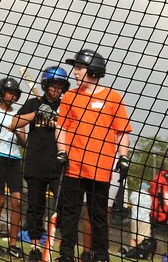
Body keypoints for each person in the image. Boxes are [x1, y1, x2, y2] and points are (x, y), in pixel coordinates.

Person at [56, 49, 132, 262]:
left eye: (79, 68)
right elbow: (61, 127)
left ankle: (101, 256)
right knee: (69, 215)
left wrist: (123, 156)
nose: (75, 72)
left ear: (93, 70)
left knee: (98, 216)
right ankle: (66, 255)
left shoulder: (113, 97)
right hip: (74, 165)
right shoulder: (70, 96)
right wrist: (62, 151)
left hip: (101, 167)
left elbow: (122, 132)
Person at [8, 66, 70, 262]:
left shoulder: (66, 106)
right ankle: (35, 247)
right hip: (36, 164)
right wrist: (36, 114)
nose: (57, 88)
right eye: (53, 84)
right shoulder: (34, 103)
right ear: (46, 85)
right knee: (35, 207)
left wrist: (58, 116)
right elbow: (14, 123)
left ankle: (62, 250)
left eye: (60, 85)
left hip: (59, 165)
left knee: (65, 207)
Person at [0, 77, 26, 259]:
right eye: (10, 92)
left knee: (17, 201)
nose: (13, 96)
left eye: (16, 93)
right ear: (2, 93)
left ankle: (13, 244)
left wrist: (16, 128)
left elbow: (24, 142)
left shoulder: (18, 116)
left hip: (15, 159)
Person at [120, 181, 155, 259]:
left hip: (134, 218)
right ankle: (140, 254)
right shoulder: (148, 196)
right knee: (142, 238)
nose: (147, 190)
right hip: (144, 220)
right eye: (147, 188)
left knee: (134, 237)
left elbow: (131, 201)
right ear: (145, 188)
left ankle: (132, 253)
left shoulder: (134, 194)